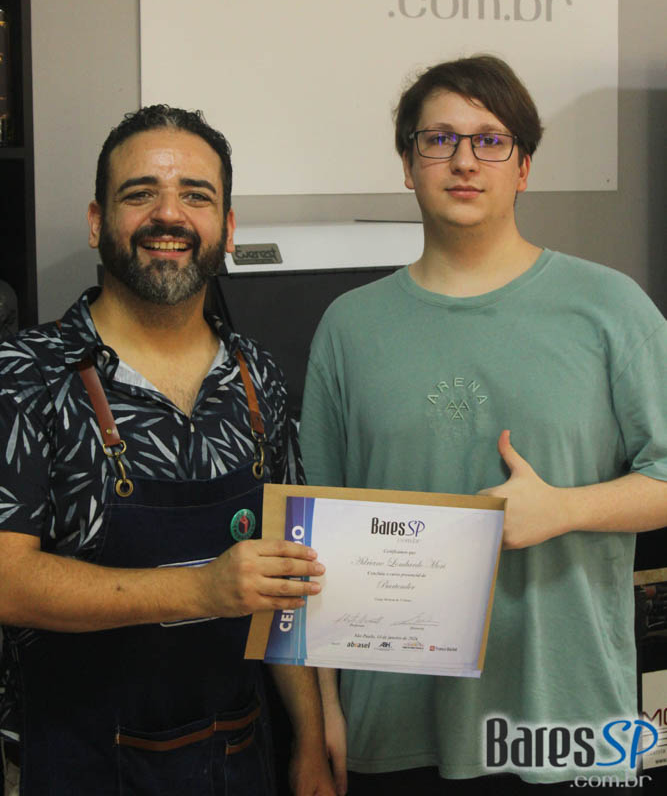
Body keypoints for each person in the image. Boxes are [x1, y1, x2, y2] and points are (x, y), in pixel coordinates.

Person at [299, 56, 667, 794]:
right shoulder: (349, 328)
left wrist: (563, 509)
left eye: (490, 140)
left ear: (523, 167)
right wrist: (321, 716)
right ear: (408, 164)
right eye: (438, 139)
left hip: (562, 723)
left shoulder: (609, 308)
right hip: (392, 726)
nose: (464, 160)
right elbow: (312, 534)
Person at [0, 105, 334, 796]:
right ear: (97, 222)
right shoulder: (26, 374)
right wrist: (201, 589)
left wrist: (308, 740)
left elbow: (288, 580)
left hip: (241, 757)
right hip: (81, 766)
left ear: (227, 228)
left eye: (195, 196)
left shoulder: (257, 377)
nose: (169, 215)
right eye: (140, 193)